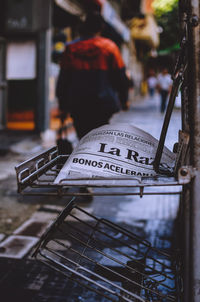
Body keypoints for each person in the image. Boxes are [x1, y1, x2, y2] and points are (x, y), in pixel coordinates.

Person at [56, 12, 130, 139]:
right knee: (100, 138)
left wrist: (62, 106)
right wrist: (124, 100)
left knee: (83, 137)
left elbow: (64, 79)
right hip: (103, 104)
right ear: (101, 28)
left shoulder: (71, 48)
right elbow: (120, 76)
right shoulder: (109, 47)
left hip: (77, 103)